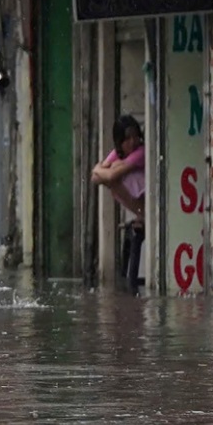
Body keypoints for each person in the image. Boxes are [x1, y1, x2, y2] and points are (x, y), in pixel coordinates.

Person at [90, 114, 146, 293]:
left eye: (135, 136)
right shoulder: (119, 153)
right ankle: (140, 213)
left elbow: (109, 175)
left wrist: (103, 168)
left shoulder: (141, 152)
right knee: (113, 177)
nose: (132, 141)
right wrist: (104, 169)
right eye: (127, 138)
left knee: (115, 178)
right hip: (136, 200)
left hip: (147, 198)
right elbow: (94, 178)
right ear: (119, 141)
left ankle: (143, 214)